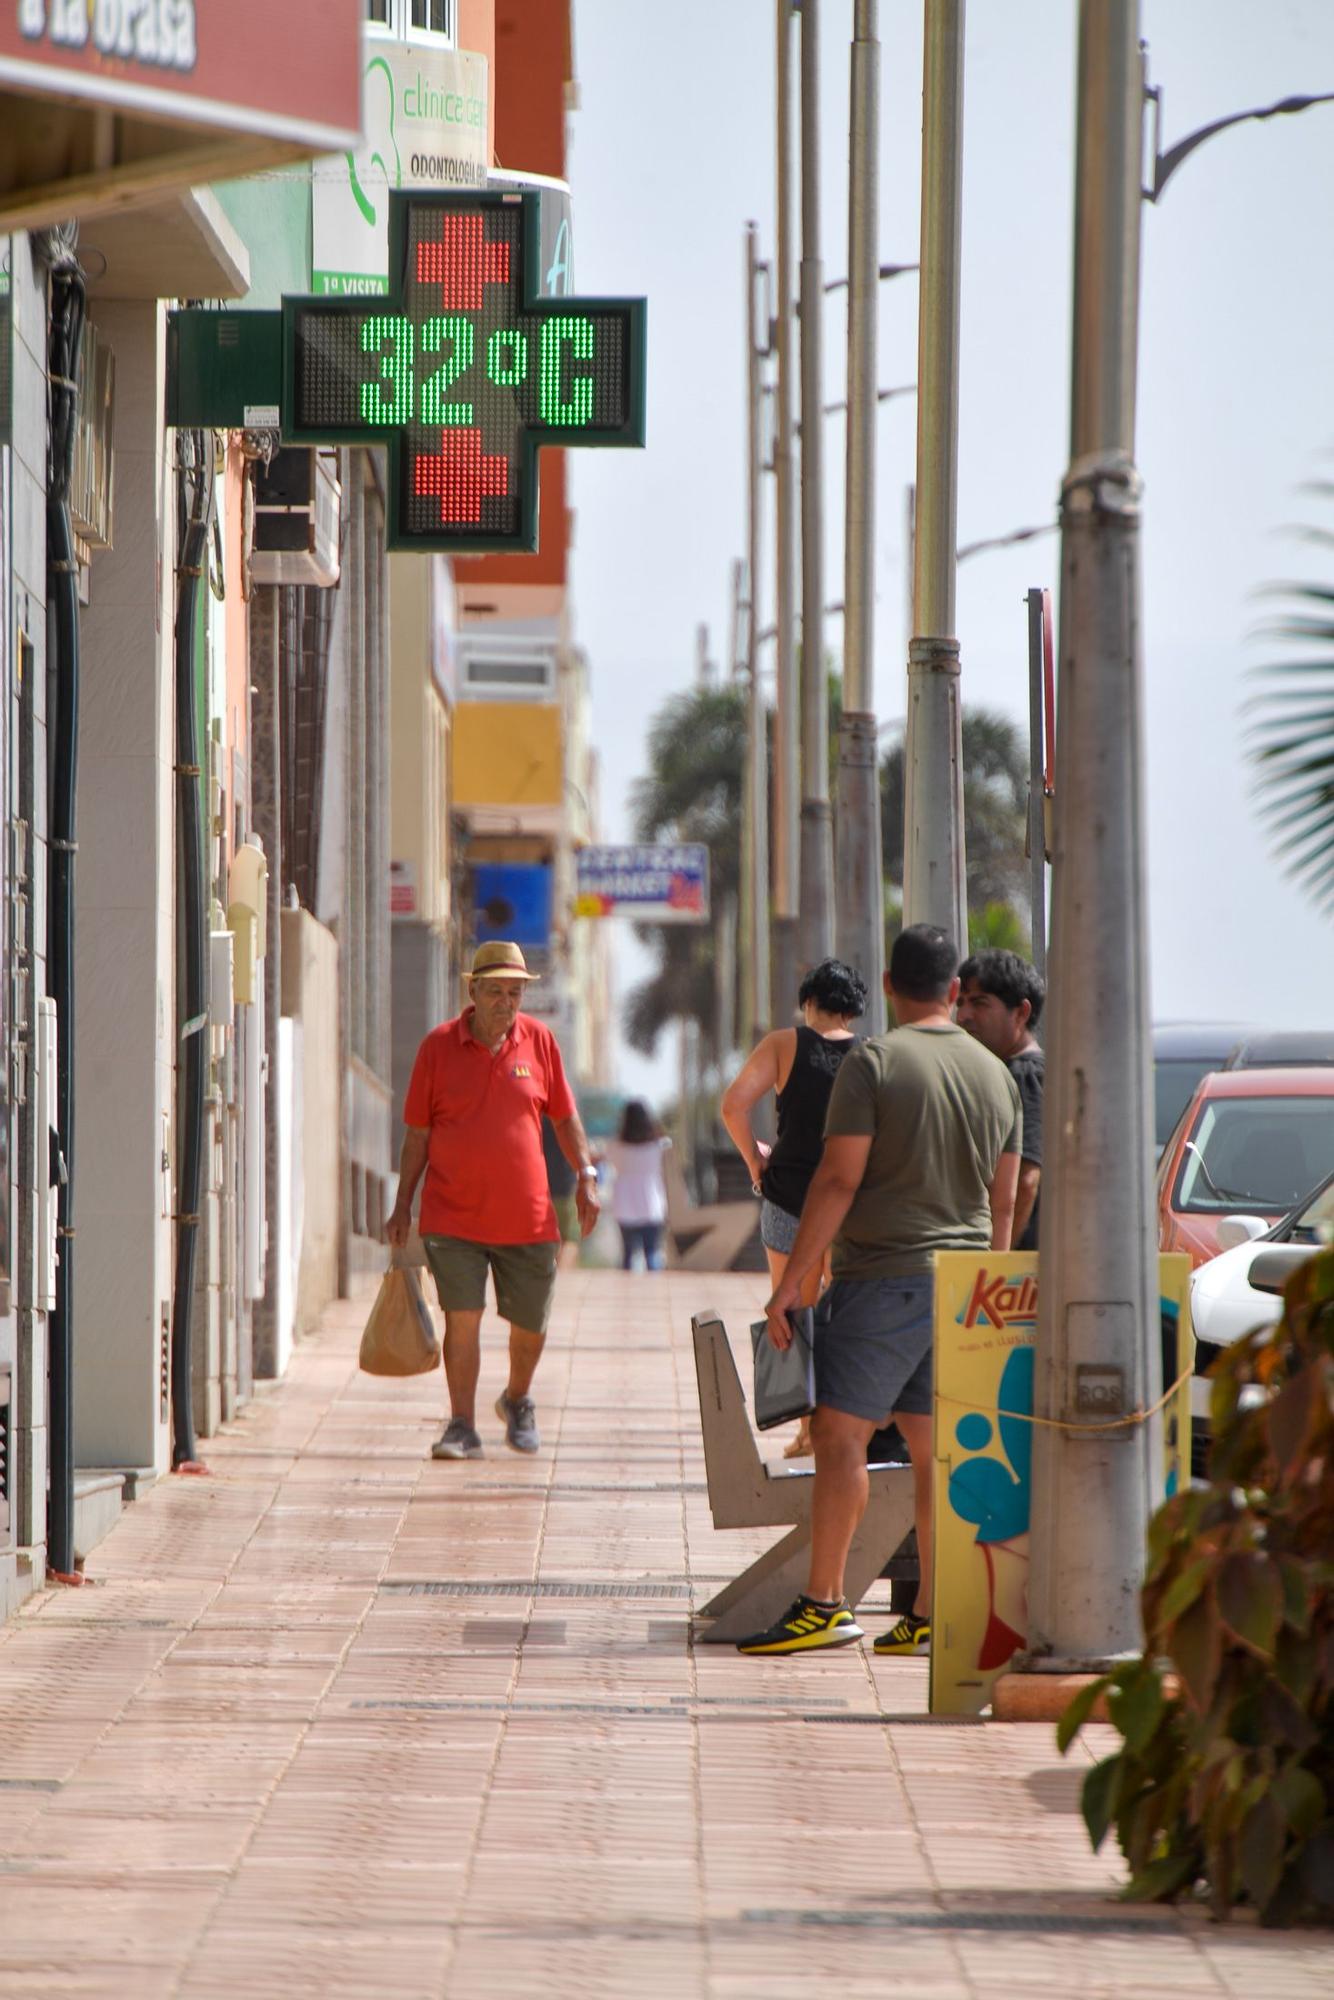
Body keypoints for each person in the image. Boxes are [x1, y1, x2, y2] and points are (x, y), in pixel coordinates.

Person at [737, 924, 1021, 1658]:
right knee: (932, 1452)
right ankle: (930, 1612)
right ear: (955, 993)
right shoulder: (997, 1074)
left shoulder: (876, 1062)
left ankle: (824, 1601)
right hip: (965, 1289)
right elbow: (1007, 1200)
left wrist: (789, 1286)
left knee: (839, 1437)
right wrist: (986, 1288)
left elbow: (836, 1180)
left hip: (885, 1278)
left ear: (891, 987)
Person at [386, 940, 599, 1460]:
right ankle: (462, 1425)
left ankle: (517, 1398)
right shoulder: (436, 1048)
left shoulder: (540, 1042)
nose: (507, 1002)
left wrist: (586, 1177)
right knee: (463, 1316)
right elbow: (416, 1135)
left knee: (531, 1324)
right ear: (472, 991)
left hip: (527, 1218)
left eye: (516, 992)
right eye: (497, 991)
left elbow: (565, 1118)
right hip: (451, 1215)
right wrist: (402, 1204)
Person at [720, 957, 867, 1456]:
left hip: (786, 1199)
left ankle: (805, 1431)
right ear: (853, 1010)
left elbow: (733, 1105)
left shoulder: (783, 1045)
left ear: (809, 1002)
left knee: (793, 1314)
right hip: (848, 1206)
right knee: (842, 1318)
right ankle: (838, 1427)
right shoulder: (872, 1056)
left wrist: (754, 1164)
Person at [956, 949, 1045, 1252]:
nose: (964, 1015)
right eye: (961, 1002)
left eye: (980, 1003)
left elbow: (1025, 1181)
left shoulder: (1024, 1077)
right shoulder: (1006, 1071)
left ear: (1021, 1012)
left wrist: (996, 1266)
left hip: (1021, 1275)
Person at [604, 1099, 670, 1270]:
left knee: (627, 1254)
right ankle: (655, 1291)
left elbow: (607, 1159)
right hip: (651, 1203)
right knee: (652, 1252)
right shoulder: (659, 1145)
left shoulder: (615, 1146)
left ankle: (626, 1294)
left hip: (624, 1204)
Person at [543, 1113, 582, 1272]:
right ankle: (562, 1276)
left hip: (541, 1188)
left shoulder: (535, 1119)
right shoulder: (565, 1119)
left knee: (545, 1239)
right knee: (569, 1238)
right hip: (565, 1188)